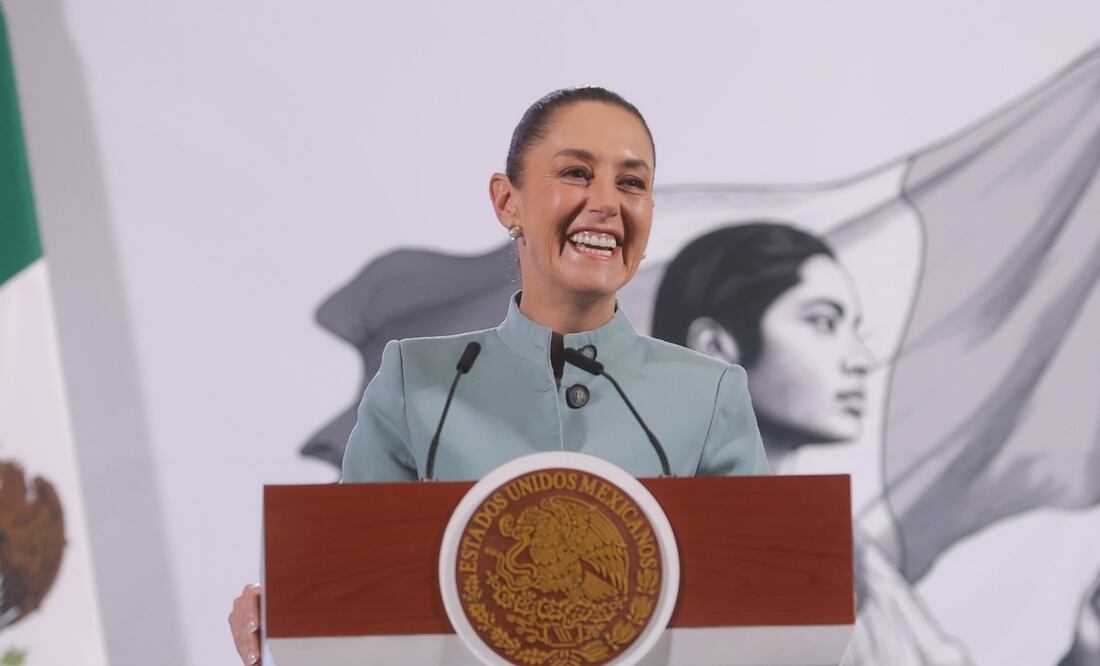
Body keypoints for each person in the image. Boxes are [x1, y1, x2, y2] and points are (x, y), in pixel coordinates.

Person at [228, 88, 769, 665]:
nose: (608, 202)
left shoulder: (710, 393)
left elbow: (772, 601)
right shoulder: (420, 381)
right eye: (577, 173)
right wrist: (280, 610)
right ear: (507, 202)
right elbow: (351, 583)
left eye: (632, 183)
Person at [651, 222, 972, 666]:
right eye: (823, 322)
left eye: (854, 327)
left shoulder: (847, 545)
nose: (861, 359)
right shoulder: (641, 535)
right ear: (714, 349)